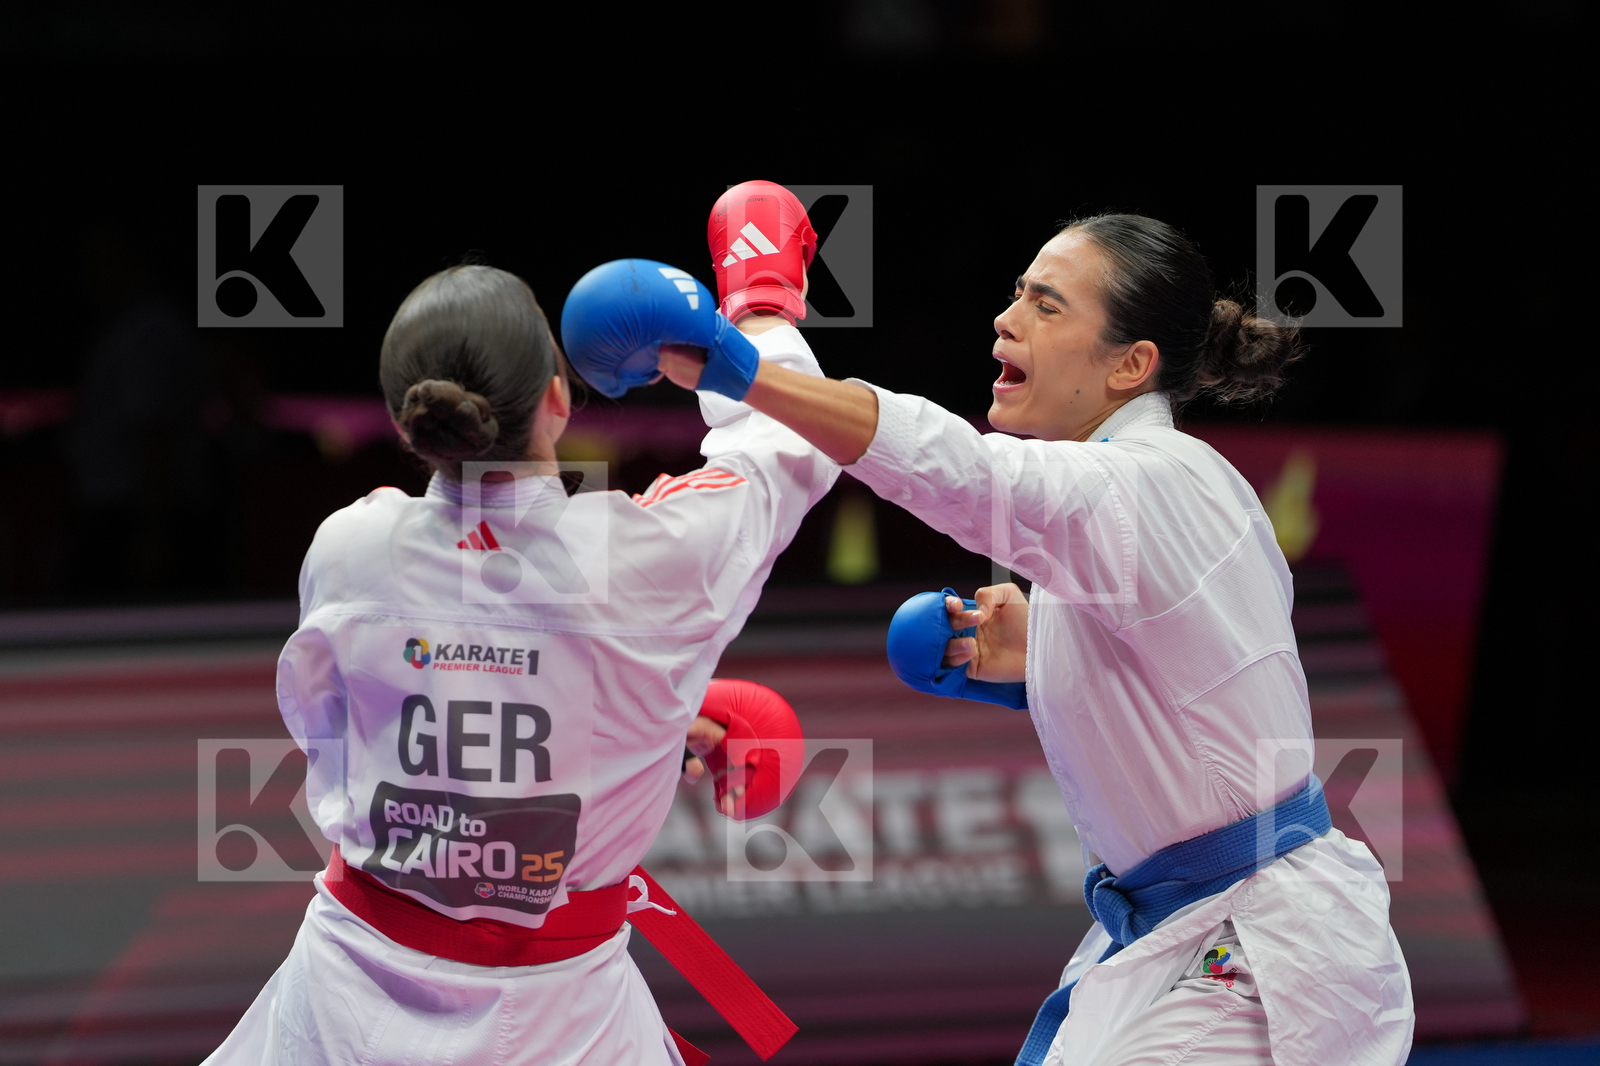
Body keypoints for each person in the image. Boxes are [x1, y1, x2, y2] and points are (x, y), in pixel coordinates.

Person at [568, 209, 1413, 1065]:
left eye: (1048, 307)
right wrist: (1040, 656)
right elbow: (1203, 676)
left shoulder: (1151, 484)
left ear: (1130, 364)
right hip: (1195, 932)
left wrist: (742, 364)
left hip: (1259, 946)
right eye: (1018, 294)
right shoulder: (1155, 493)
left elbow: (961, 473)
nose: (1007, 319)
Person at [203, 250, 837, 1064]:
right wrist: (760, 305)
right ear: (558, 398)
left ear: (406, 422)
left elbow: (328, 725)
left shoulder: (350, 545)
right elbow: (793, 445)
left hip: (342, 1002)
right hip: (569, 1022)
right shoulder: (653, 559)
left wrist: (621, 725)